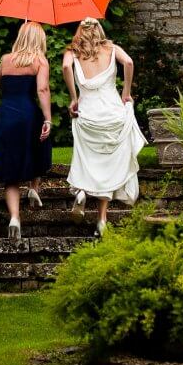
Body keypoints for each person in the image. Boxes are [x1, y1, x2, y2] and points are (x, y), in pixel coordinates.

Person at [62, 17, 147, 236]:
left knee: (86, 158)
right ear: (99, 29)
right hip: (112, 112)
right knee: (108, 167)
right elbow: (128, 63)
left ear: (80, 32)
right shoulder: (112, 48)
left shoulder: (72, 52)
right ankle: (101, 219)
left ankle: (81, 191)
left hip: (87, 112)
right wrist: (125, 92)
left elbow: (65, 67)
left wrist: (74, 97)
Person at [0, 21, 53, 240]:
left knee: (10, 169)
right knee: (38, 147)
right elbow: (42, 89)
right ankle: (34, 186)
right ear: (40, 40)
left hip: (6, 113)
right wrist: (48, 118)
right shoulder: (40, 61)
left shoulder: (6, 60)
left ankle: (15, 216)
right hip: (28, 113)